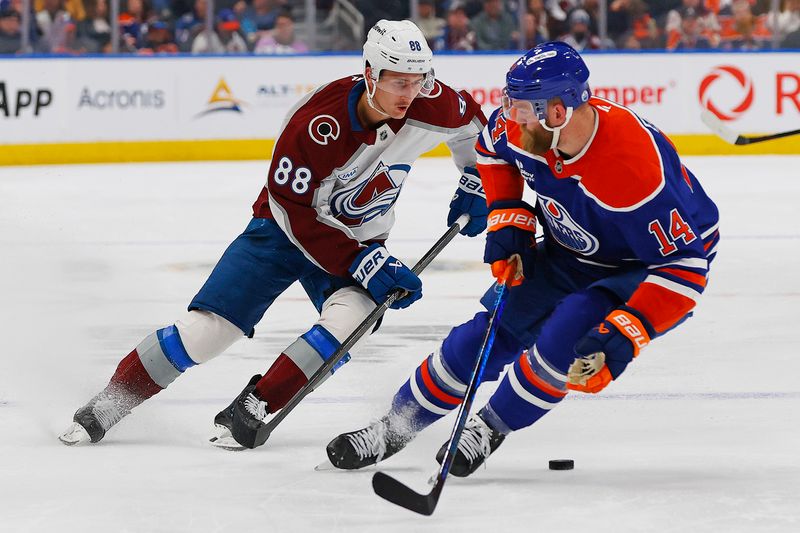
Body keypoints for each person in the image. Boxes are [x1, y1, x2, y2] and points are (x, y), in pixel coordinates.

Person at [58, 19, 488, 449]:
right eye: (398, 82)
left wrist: (474, 178)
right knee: (208, 332)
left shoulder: (431, 101)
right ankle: (111, 401)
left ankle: (256, 404)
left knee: (354, 319)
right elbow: (292, 210)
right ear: (371, 74)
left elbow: (479, 133)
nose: (409, 94)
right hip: (281, 231)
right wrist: (359, 260)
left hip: (359, 240)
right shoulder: (316, 123)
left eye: (418, 81)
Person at [327, 41, 720, 477]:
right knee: (488, 332)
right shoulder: (525, 129)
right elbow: (493, 153)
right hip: (571, 248)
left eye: (523, 108)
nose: (512, 116)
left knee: (566, 336)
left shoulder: (632, 168)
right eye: (510, 103)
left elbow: (685, 267)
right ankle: (394, 427)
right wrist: (509, 224)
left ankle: (489, 428)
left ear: (559, 111)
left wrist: (628, 333)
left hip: (641, 267)